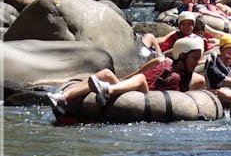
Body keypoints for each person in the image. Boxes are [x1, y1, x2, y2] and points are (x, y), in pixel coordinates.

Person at [46, 37, 206, 114]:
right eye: (194, 58)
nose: (197, 62)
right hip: (136, 91)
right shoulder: (159, 61)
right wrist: (119, 81)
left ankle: (107, 90)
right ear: (182, 56)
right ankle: (62, 97)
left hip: (151, 99)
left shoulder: (195, 79)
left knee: (141, 80)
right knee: (107, 73)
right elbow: (136, 74)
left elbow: (195, 100)